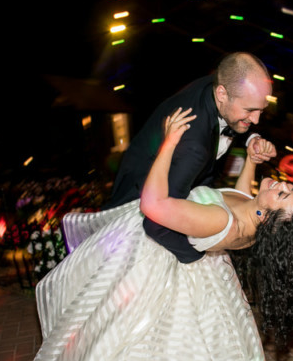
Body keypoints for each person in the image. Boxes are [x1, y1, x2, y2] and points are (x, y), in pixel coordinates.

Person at [23, 107, 293, 361]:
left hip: (153, 257)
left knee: (130, 332)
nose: (284, 184)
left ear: (268, 219)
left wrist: (169, 143)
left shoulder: (220, 223)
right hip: (200, 267)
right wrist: (251, 161)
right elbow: (242, 198)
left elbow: (154, 206)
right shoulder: (254, 219)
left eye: (283, 196)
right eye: (289, 188)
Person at [104, 52, 277, 264]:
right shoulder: (194, 146)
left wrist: (251, 138)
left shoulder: (215, 87)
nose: (257, 119)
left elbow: (230, 122)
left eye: (261, 109)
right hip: (142, 226)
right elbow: (156, 224)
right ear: (222, 94)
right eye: (250, 110)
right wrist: (200, 258)